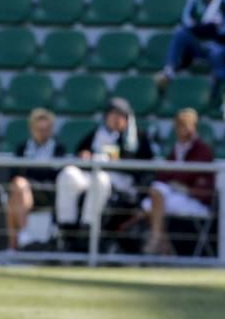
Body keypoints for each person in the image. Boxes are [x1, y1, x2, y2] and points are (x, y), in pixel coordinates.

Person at [55, 98, 154, 240]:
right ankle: (66, 227)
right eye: (113, 114)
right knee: (68, 174)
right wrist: (84, 155)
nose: (116, 119)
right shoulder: (96, 134)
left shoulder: (137, 138)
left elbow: (144, 166)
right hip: (90, 173)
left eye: (121, 115)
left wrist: (120, 161)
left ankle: (88, 228)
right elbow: (81, 152)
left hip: (120, 181)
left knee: (100, 179)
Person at [139, 108, 215, 255]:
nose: (182, 129)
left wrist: (176, 179)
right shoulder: (177, 148)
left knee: (152, 202)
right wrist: (174, 178)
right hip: (178, 194)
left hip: (196, 200)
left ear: (194, 126)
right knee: (149, 202)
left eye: (186, 125)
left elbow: (186, 175)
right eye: (179, 125)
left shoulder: (202, 149)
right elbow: (166, 174)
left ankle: (158, 241)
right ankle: (163, 243)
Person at [5, 108, 67, 252]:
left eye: (46, 129)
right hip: (23, 193)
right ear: (32, 129)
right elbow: (13, 174)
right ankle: (20, 240)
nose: (42, 133)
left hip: (49, 193)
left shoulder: (58, 149)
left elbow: (58, 176)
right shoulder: (22, 148)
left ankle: (15, 244)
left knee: (16, 193)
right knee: (17, 191)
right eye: (39, 129)